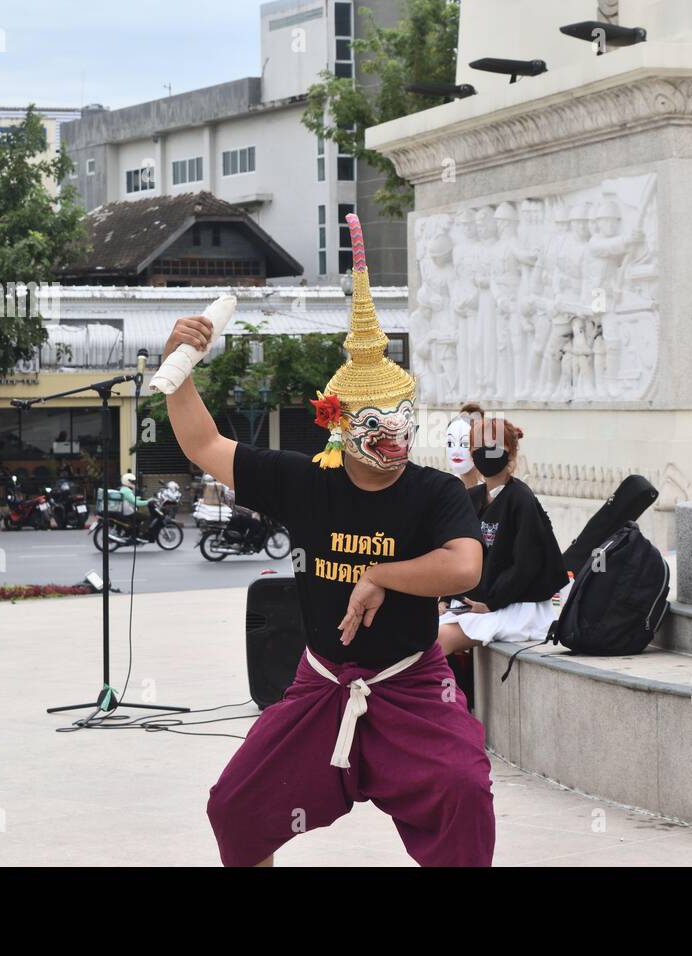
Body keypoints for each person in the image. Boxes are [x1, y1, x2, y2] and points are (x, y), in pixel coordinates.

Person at [166, 213, 493, 867]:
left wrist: (382, 575)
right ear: (340, 424)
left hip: (413, 685)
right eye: (378, 422)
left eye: (403, 418)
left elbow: (464, 568)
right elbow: (204, 444)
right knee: (236, 805)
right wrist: (181, 366)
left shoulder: (434, 492)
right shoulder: (304, 482)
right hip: (322, 684)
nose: (396, 436)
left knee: (463, 792)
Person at [438, 416, 567, 654]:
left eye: (492, 446)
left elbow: (527, 563)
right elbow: (455, 550)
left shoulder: (521, 499)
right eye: (477, 447)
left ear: (510, 451)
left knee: (437, 641)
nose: (484, 453)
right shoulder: (472, 497)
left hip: (515, 606)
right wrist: (446, 597)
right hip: (473, 602)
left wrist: (491, 603)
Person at [444, 401, 485, 490]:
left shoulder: (490, 491)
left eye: (465, 443)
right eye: (450, 443)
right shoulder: (445, 488)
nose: (456, 451)